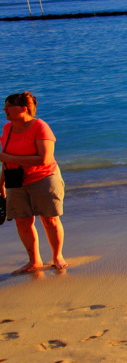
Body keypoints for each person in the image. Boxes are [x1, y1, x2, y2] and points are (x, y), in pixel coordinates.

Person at [1, 92, 67, 274]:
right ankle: (34, 260)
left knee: (50, 219)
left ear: (23, 109)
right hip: (16, 181)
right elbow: (6, 160)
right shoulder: (7, 128)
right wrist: (1, 183)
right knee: (22, 222)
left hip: (43, 178)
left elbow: (44, 159)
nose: (4, 109)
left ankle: (57, 256)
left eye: (8, 106)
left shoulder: (40, 126)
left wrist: (6, 157)